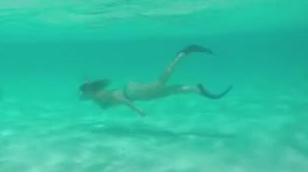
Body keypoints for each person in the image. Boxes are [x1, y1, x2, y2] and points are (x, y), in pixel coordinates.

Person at [79, 45, 232, 117]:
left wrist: (137, 110)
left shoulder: (98, 96)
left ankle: (182, 55)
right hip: (133, 92)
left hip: (131, 94)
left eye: (85, 94)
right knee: (169, 91)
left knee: (160, 83)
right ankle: (198, 90)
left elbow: (119, 98)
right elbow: (84, 95)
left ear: (89, 92)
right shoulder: (94, 96)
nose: (84, 97)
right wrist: (87, 85)